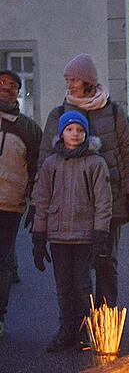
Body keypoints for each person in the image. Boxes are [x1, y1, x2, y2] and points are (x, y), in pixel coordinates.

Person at [37, 54, 129, 308]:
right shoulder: (60, 113)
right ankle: (79, 324)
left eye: (73, 79)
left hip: (110, 201)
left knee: (105, 261)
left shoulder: (114, 113)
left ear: (87, 81)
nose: (69, 84)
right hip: (70, 206)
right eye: (67, 79)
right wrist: (35, 204)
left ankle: (106, 321)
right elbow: (44, 160)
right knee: (74, 271)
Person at [32, 111, 112, 352]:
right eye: (70, 129)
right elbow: (42, 200)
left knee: (83, 286)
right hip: (58, 236)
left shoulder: (95, 163)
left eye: (79, 130)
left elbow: (103, 202)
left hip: (84, 236)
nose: (75, 134)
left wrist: (100, 235)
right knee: (63, 286)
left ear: (86, 133)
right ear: (62, 133)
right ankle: (67, 329)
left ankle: (87, 331)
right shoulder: (51, 164)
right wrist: (38, 236)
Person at [0, 70, 42, 339]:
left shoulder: (28, 128)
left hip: (9, 205)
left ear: (18, 92)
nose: (6, 89)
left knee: (1, 262)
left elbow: (38, 169)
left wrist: (35, 204)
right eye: (1, 84)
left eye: (13, 86)